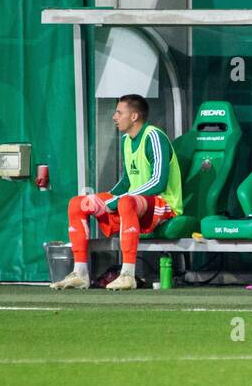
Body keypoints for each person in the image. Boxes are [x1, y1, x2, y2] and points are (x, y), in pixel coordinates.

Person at [52, 94, 183, 291]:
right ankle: (80, 273)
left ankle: (127, 275)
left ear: (134, 117)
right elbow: (127, 181)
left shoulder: (154, 136)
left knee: (125, 203)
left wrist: (117, 200)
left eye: (119, 112)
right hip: (134, 202)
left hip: (163, 205)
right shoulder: (126, 141)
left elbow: (158, 182)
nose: (114, 117)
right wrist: (104, 198)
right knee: (77, 203)